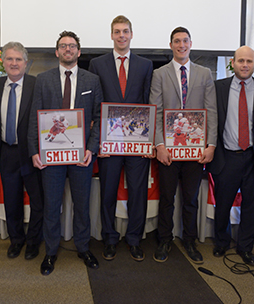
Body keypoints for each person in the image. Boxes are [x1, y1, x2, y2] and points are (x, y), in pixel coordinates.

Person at [28, 30, 103, 275]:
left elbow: (99, 118)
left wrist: (92, 149)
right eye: (63, 46)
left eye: (72, 46)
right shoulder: (43, 79)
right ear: (57, 51)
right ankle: (50, 252)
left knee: (82, 205)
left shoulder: (92, 80)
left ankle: (83, 247)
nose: (68, 49)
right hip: (51, 156)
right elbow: (34, 118)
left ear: (79, 52)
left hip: (81, 156)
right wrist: (34, 151)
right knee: (51, 206)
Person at [150, 27, 217, 263]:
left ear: (191, 43)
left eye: (185, 41)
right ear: (171, 45)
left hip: (195, 150)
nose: (181, 45)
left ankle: (189, 240)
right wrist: (159, 144)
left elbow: (211, 110)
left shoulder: (204, 73)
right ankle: (164, 239)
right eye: (177, 41)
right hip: (168, 149)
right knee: (167, 197)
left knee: (190, 198)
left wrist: (210, 144)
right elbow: (156, 111)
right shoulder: (159, 74)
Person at [89, 15, 153, 262]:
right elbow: (96, 103)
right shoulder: (97, 64)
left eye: (125, 31)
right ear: (112, 35)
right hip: (109, 142)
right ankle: (109, 238)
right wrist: (98, 142)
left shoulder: (145, 65)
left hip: (137, 140)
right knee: (108, 192)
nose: (122, 35)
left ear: (132, 34)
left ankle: (135, 239)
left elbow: (148, 102)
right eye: (117, 32)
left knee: (138, 192)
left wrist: (148, 142)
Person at [206, 46, 254, 266]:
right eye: (241, 61)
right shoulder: (217, 88)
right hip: (227, 157)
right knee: (223, 204)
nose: (245, 65)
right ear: (232, 63)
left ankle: (245, 247)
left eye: (249, 61)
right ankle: (222, 242)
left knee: (251, 207)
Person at [0, 42, 44, 260]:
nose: (14, 63)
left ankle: (33, 242)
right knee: (11, 201)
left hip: (31, 152)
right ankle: (16, 240)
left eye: (18, 59)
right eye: (9, 59)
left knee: (37, 201)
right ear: (3, 62)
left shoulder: (36, 84)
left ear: (26, 63)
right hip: (7, 152)